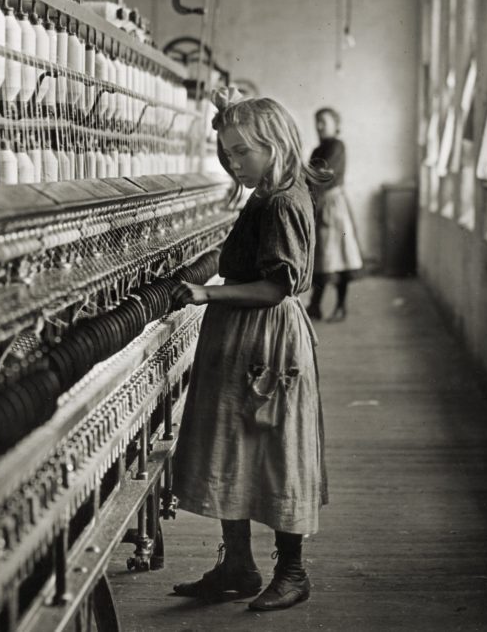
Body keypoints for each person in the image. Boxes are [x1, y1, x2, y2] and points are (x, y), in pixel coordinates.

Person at [169, 89, 328, 611]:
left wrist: (204, 292)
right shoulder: (266, 194)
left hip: (266, 337)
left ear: (275, 144)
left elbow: (276, 287)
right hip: (242, 336)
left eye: (242, 152)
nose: (232, 162)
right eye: (226, 152)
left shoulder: (281, 201)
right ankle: (237, 566)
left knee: (275, 450)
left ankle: (293, 572)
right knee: (231, 445)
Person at [307, 107, 363, 322]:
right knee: (321, 256)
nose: (319, 126)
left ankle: (340, 306)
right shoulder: (316, 150)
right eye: (317, 121)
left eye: (324, 121)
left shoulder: (337, 146)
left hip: (333, 205)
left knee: (339, 257)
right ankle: (315, 305)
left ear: (336, 125)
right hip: (320, 205)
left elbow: (323, 175)